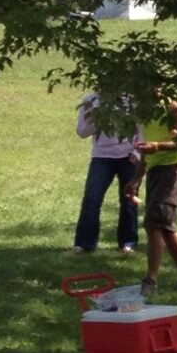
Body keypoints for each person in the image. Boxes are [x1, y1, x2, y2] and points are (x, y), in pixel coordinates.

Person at [136, 95, 177, 298]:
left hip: (173, 169)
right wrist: (136, 181)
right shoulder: (145, 110)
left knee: (155, 223)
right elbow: (147, 150)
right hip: (156, 170)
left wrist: (159, 146)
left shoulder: (173, 106)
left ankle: (151, 280)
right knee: (166, 226)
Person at [73, 91, 143, 254]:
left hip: (128, 155)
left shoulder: (132, 99)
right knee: (92, 197)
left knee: (129, 199)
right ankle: (84, 244)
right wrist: (96, 116)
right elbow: (82, 132)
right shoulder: (91, 100)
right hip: (102, 156)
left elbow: (141, 130)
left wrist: (137, 152)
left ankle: (128, 243)